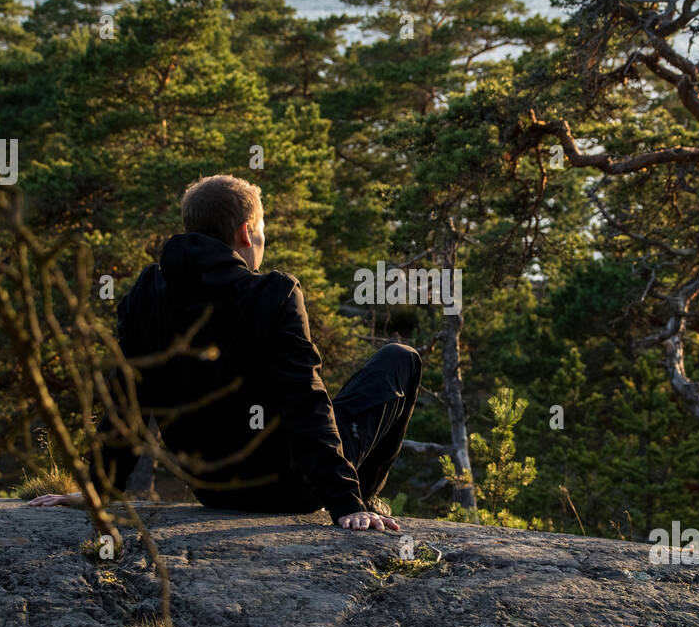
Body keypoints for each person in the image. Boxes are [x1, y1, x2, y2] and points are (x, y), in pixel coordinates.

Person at [28, 174, 419, 532]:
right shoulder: (274, 293)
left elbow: (126, 399)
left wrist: (98, 490)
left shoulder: (145, 295)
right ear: (245, 233)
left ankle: (359, 501)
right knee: (400, 359)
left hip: (212, 488)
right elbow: (306, 400)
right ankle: (364, 503)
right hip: (291, 490)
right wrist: (344, 502)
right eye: (262, 234)